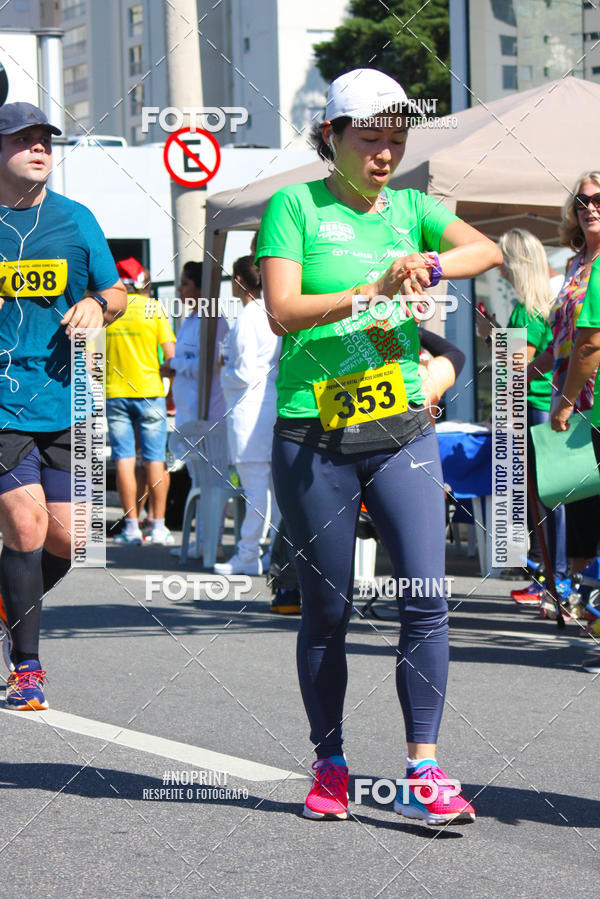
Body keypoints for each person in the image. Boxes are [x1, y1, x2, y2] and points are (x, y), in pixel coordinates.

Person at [256, 68, 502, 824]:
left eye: (395, 140)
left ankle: (424, 765)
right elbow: (281, 311)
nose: (385, 154)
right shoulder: (295, 205)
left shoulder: (412, 208)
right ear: (330, 137)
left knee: (426, 594)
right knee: (328, 608)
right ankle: (329, 763)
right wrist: (372, 290)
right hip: (314, 430)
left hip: (401, 426)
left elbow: (487, 250)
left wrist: (427, 263)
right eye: (369, 139)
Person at [0, 102, 126, 710]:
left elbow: (117, 290)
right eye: (23, 139)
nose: (39, 148)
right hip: (3, 402)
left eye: (45, 140)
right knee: (24, 527)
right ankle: (27, 665)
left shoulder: (76, 219)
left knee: (73, 539)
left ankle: (10, 600)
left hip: (71, 397)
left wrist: (99, 306)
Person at [478, 229, 567, 603]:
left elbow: (517, 367)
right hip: (543, 404)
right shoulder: (542, 306)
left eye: (503, 261)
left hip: (535, 406)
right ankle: (553, 576)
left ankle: (554, 577)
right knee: (546, 494)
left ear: (518, 263)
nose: (499, 269)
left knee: (543, 495)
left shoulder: (528, 309)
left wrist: (488, 335)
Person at [530, 173, 600, 569]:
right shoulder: (575, 263)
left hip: (591, 400)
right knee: (579, 505)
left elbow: (590, 343)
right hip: (571, 403)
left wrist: (567, 400)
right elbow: (562, 343)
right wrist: (522, 374)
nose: (590, 208)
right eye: (582, 202)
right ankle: (579, 591)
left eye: (599, 199)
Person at [215, 255, 281, 576]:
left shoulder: (247, 317)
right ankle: (276, 554)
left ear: (239, 281)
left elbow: (242, 373)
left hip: (249, 410)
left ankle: (248, 554)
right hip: (272, 408)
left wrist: (223, 370)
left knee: (255, 490)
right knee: (274, 492)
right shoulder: (274, 312)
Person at [160, 261, 229, 557]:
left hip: (209, 414)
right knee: (198, 479)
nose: (179, 289)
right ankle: (202, 541)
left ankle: (212, 543)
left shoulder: (214, 321)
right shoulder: (191, 319)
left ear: (201, 288)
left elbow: (209, 365)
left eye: (185, 283)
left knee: (213, 481)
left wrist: (174, 365)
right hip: (189, 413)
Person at [105, 257, 175, 545]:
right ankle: (158, 527)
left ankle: (132, 528)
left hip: (115, 392)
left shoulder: (108, 310)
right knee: (155, 459)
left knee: (124, 459)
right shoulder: (153, 308)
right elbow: (171, 358)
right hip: (150, 392)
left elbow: (91, 359)